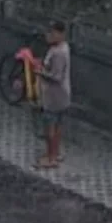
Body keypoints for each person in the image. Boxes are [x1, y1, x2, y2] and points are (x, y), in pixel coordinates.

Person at [35, 21, 72, 170]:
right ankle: (55, 154)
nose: (47, 36)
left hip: (54, 97)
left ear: (59, 34)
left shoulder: (58, 53)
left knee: (49, 127)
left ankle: (51, 158)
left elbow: (56, 77)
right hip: (62, 95)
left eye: (51, 33)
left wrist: (39, 71)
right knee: (57, 126)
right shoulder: (63, 48)